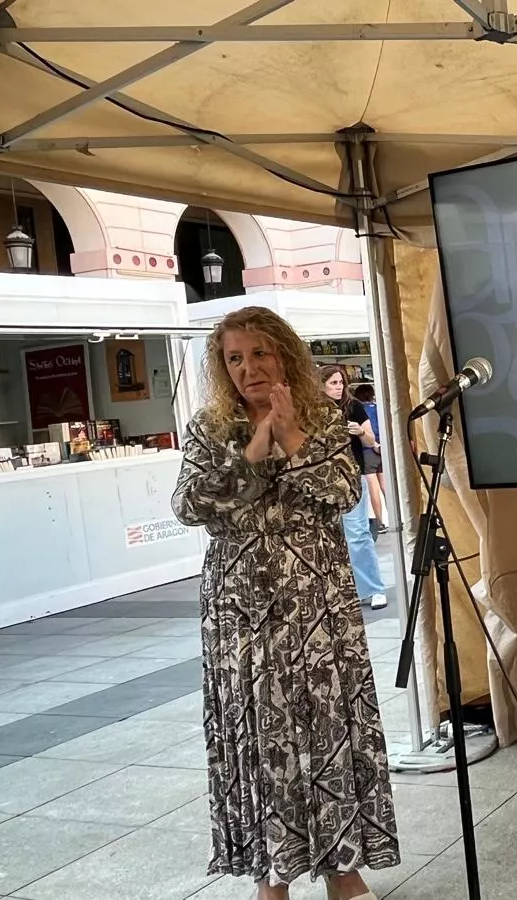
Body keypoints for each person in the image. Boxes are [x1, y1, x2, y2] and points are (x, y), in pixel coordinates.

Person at [172, 306, 400, 900]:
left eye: (260, 353)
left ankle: (342, 871)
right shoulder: (208, 429)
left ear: (285, 356)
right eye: (234, 358)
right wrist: (254, 450)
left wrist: (292, 434)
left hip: (316, 605)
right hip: (240, 609)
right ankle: (272, 878)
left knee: (326, 732)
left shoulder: (324, 420)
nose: (248, 367)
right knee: (259, 734)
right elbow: (191, 505)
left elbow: (344, 492)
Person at [321, 365, 389, 609]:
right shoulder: (314, 411)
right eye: (333, 383)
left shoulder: (354, 407)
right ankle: (345, 589)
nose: (338, 387)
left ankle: (374, 588)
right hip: (324, 480)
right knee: (329, 536)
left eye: (341, 383)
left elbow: (370, 440)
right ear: (322, 385)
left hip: (351, 475)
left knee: (357, 533)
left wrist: (360, 431)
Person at [353, 383, 388, 535]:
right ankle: (395, 517)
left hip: (367, 451)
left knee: (373, 488)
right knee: (385, 485)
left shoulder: (361, 411)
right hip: (382, 450)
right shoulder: (379, 408)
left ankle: (380, 522)